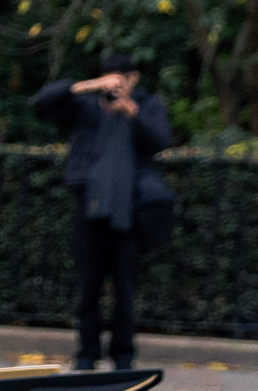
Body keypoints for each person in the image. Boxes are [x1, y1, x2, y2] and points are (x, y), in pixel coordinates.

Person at [32, 52, 173, 370]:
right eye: (108, 76)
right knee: (88, 285)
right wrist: (88, 86)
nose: (114, 84)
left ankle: (123, 354)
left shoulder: (146, 105)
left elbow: (161, 141)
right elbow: (42, 103)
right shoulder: (86, 105)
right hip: (89, 206)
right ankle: (87, 353)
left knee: (125, 286)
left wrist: (131, 111)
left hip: (129, 207)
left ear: (133, 78)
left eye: (120, 77)